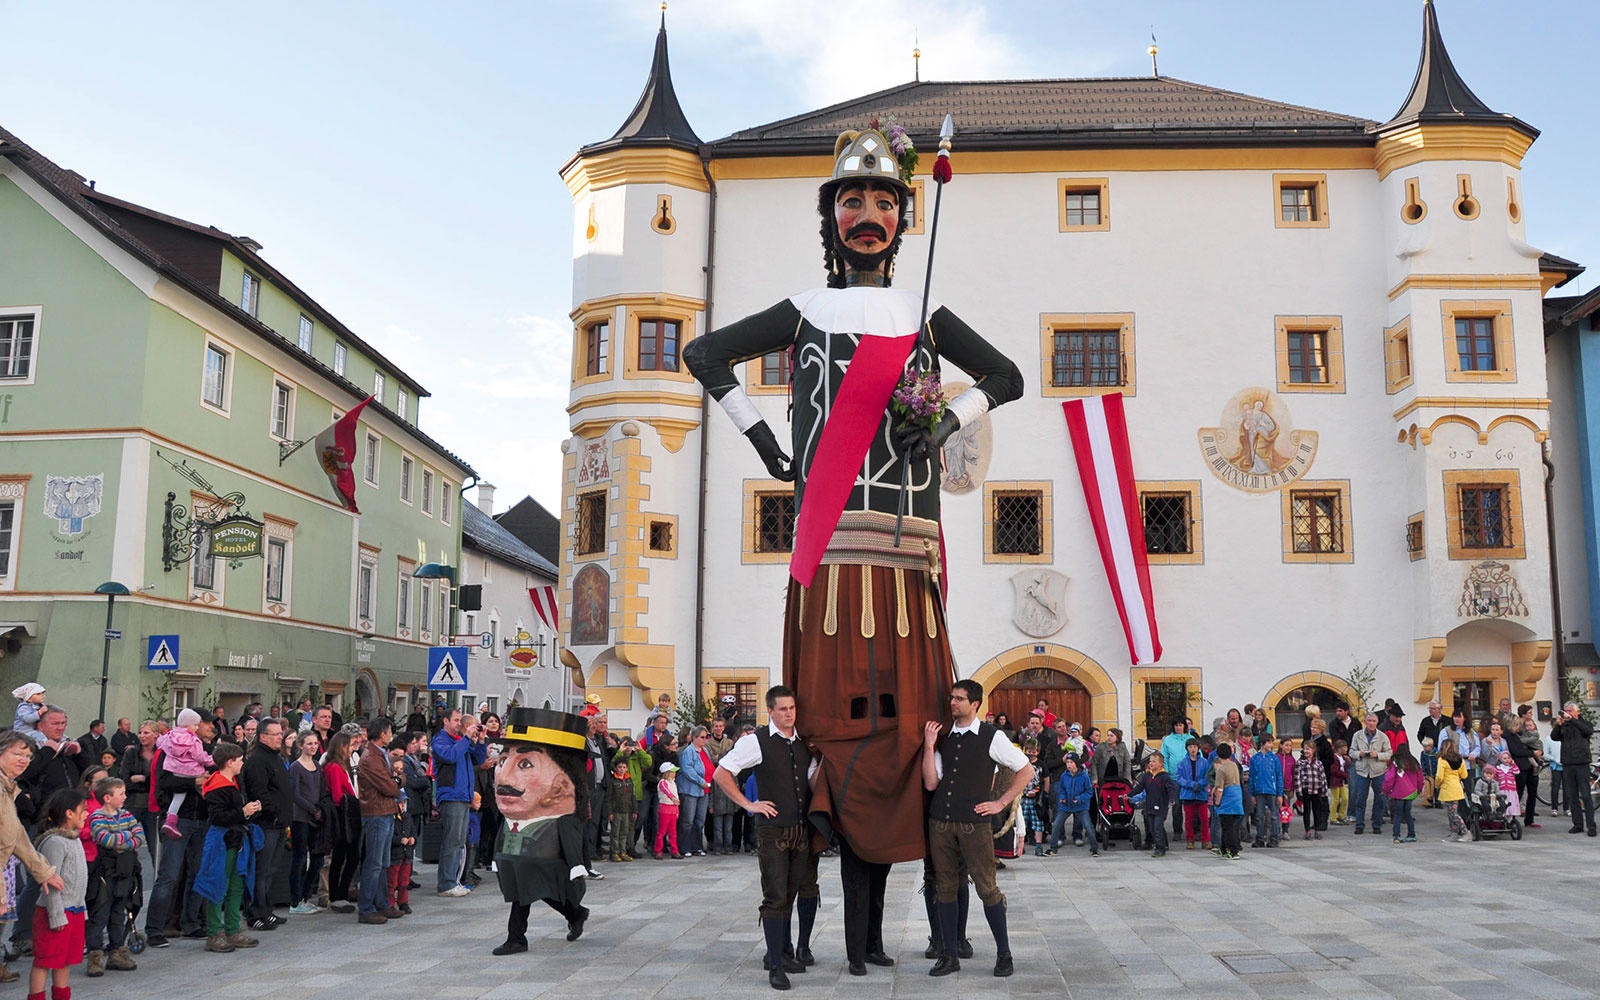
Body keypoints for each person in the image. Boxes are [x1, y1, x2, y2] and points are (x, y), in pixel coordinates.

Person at [685, 123, 1024, 967]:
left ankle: (932, 934)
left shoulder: (925, 315)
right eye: (851, 200)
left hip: (907, 550)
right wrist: (764, 444)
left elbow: (1008, 378)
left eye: (882, 201)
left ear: (905, 221)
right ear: (831, 217)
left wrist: (945, 418)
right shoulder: (805, 311)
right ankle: (851, 938)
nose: (866, 214)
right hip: (830, 548)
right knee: (834, 734)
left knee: (916, 738)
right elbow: (703, 354)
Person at [713, 685, 823, 990]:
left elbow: (812, 781)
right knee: (774, 896)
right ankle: (775, 964)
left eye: (792, 708)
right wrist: (749, 804)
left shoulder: (803, 742)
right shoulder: (756, 742)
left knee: (790, 893)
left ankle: (784, 953)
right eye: (783, 709)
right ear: (771, 711)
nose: (789, 714)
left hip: (800, 830)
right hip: (773, 831)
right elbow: (722, 773)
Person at [921, 680, 1031, 978]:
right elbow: (931, 782)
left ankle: (1004, 954)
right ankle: (949, 954)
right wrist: (929, 747)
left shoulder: (991, 736)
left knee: (986, 887)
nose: (953, 703)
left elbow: (1026, 769)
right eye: (952, 698)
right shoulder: (943, 737)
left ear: (975, 704)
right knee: (945, 887)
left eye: (959, 699)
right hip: (941, 821)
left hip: (974, 824)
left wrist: (1000, 803)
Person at [489, 708, 592, 957]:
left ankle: (574, 913)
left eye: (525, 764)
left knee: (542, 888)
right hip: (519, 856)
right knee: (525, 888)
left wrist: (577, 864)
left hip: (550, 853)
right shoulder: (514, 812)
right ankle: (517, 937)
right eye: (502, 761)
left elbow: (573, 838)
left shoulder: (564, 817)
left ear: (561, 783)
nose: (503, 776)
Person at [0, 733, 64, 983]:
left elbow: (15, 835)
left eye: (28, 756)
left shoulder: (8, 786)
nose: (24, 760)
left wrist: (44, 871)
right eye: (18, 754)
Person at [194, 742, 261, 953]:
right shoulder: (218, 786)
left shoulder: (231, 781)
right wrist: (244, 812)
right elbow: (218, 817)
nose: (243, 763)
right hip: (222, 841)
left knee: (236, 885)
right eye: (240, 760)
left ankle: (232, 929)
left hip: (235, 838)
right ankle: (215, 932)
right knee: (217, 885)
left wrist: (249, 811)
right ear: (230, 762)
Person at [30, 789, 88, 999]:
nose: (86, 814)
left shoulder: (75, 839)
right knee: (45, 961)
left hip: (74, 911)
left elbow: (79, 881)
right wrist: (56, 915)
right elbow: (50, 885)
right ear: (69, 813)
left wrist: (82, 909)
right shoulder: (54, 842)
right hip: (55, 913)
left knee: (65, 961)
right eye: (83, 809)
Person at [84, 776, 143, 975]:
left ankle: (117, 951)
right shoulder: (96, 816)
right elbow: (104, 839)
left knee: (120, 910)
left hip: (125, 869)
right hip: (105, 870)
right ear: (107, 798)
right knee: (100, 911)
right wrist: (127, 836)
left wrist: (121, 840)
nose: (125, 797)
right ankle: (95, 955)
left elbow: (140, 836)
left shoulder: (126, 814)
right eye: (121, 794)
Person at [241, 718, 291, 932]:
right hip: (266, 823)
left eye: (281, 733)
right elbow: (259, 791)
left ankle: (266, 909)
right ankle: (255, 913)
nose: (281, 737)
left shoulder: (275, 757)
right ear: (263, 736)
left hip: (279, 824)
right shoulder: (258, 760)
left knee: (270, 870)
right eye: (276, 734)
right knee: (260, 870)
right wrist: (274, 812)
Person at [432, 709, 488, 896]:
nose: (459, 723)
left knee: (459, 842)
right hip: (451, 796)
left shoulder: (459, 741)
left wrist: (480, 740)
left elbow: (478, 759)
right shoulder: (440, 741)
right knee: (452, 841)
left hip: (463, 797)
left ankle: (454, 880)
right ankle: (446, 883)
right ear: (445, 721)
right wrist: (465, 738)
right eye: (456, 720)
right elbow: (450, 756)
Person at [356, 718, 401, 925]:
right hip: (376, 812)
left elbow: (398, 778)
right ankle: (366, 907)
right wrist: (396, 782)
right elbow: (389, 786)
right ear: (382, 733)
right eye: (390, 731)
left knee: (383, 862)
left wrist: (397, 781)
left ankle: (382, 903)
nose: (391, 734)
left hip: (385, 810)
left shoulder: (380, 753)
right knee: (374, 863)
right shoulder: (371, 757)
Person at [154, 708, 213, 840]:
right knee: (174, 860)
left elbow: (159, 742)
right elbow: (163, 782)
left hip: (201, 816)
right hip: (184, 818)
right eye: (207, 722)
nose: (211, 726)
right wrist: (195, 781)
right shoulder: (195, 742)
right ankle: (171, 819)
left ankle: (171, 818)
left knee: (195, 860)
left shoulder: (170, 739)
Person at [287, 732, 326, 916]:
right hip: (301, 818)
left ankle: (304, 896)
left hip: (315, 818)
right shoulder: (296, 767)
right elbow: (294, 794)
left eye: (315, 743)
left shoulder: (317, 765)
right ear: (301, 745)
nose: (313, 746)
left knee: (317, 859)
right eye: (309, 743)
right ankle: (295, 900)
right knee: (299, 858)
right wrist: (312, 809)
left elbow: (320, 789)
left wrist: (321, 809)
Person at [321, 731, 360, 912]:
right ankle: (338, 894)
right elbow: (337, 795)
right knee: (344, 856)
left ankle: (340, 893)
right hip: (343, 814)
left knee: (347, 856)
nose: (352, 749)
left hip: (348, 811)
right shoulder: (334, 767)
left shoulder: (342, 765)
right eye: (350, 745)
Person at [1550, 702, 1595, 836]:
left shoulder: (1583, 723)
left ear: (1577, 712)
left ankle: (1591, 825)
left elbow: (1588, 731)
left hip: (1582, 763)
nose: (1567, 713)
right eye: (1565, 711)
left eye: (1570, 711)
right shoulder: (1564, 726)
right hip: (1568, 763)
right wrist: (1558, 725)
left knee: (1585, 795)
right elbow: (1554, 737)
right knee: (1572, 795)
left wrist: (1573, 721)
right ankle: (1578, 824)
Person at [1346, 713, 1391, 835]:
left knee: (1380, 799)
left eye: (1374, 721)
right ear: (1365, 721)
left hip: (1378, 771)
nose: (1371, 723)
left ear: (1377, 722)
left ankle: (1377, 824)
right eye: (1369, 720)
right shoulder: (1358, 735)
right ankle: (1359, 824)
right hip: (1362, 771)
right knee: (1360, 799)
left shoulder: (1382, 736)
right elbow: (1351, 751)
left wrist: (1377, 755)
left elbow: (1389, 753)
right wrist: (1359, 754)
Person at [676, 726, 713, 857]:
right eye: (702, 737)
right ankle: (685, 846)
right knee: (687, 820)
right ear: (694, 738)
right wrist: (700, 781)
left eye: (706, 737)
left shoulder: (705, 751)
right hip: (691, 790)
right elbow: (687, 769)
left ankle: (697, 846)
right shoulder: (689, 751)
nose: (705, 740)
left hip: (704, 791)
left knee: (699, 820)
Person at [1131, 754, 1178, 857]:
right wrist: (1129, 795)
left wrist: (1173, 799)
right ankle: (1162, 844)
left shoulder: (1165, 777)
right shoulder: (1147, 776)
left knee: (1157, 827)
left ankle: (1160, 848)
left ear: (1161, 764)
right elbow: (1139, 787)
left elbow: (1171, 789)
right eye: (1150, 761)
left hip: (1161, 807)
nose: (1151, 763)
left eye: (1154, 761)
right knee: (1152, 828)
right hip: (1149, 806)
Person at [1053, 756, 1097, 858]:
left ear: (1076, 763)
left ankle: (1094, 848)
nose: (1069, 765)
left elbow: (1089, 792)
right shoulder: (1064, 775)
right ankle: (1053, 847)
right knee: (1056, 824)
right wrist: (1063, 797)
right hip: (1066, 805)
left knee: (1088, 826)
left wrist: (1080, 798)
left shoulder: (1084, 776)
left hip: (1080, 806)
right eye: (1067, 762)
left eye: (1071, 762)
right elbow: (1062, 788)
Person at [1174, 739, 1211, 850]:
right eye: (1190, 747)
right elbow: (1179, 777)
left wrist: (1199, 784)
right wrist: (1190, 784)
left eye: (1194, 747)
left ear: (1198, 748)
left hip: (1201, 794)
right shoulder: (1182, 762)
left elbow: (1208, 776)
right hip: (1188, 794)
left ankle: (1206, 840)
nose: (1193, 749)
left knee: (1204, 819)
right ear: (1187, 749)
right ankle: (1190, 840)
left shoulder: (1204, 762)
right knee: (1189, 820)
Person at [1208, 743, 1244, 859]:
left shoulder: (1221, 769)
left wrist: (1217, 802)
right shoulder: (1234, 765)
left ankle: (1232, 850)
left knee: (1227, 827)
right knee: (1231, 825)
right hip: (1237, 796)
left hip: (1227, 799)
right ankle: (1223, 848)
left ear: (1218, 754)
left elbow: (1220, 788)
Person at [1382, 745, 1423, 843]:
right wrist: (1419, 790)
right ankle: (1412, 834)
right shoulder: (1414, 762)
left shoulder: (1395, 762)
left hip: (1399, 792)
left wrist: (1386, 790)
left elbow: (1389, 778)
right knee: (1408, 814)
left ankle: (1396, 835)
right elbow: (1420, 779)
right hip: (1411, 792)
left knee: (1398, 814)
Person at [1248, 734, 1283, 848]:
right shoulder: (1255, 758)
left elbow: (1279, 776)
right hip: (1259, 791)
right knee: (1259, 816)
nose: (1271, 745)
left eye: (1272, 743)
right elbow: (1252, 776)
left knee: (1274, 816)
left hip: (1271, 790)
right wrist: (1252, 793)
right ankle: (1260, 838)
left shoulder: (1274, 758)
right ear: (1263, 744)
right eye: (1269, 742)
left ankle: (1274, 837)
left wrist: (1280, 793)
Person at [1435, 739, 1470, 843]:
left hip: (1447, 788)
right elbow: (1464, 775)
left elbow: (1439, 776)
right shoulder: (1461, 759)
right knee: (1452, 812)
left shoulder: (1442, 760)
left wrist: (1437, 785)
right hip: (1457, 787)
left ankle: (1465, 832)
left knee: (1452, 813)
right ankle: (1454, 833)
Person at [1294, 740, 1329, 839]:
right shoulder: (1300, 763)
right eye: (1304, 749)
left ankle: (1317, 830)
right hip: (1306, 790)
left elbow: (1323, 777)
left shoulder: (1318, 763)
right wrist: (1299, 791)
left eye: (1308, 749)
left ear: (1313, 750)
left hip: (1316, 790)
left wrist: (1324, 790)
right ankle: (1307, 830)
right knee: (1307, 811)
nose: (1306, 751)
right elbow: (1297, 777)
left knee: (1317, 810)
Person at [606, 761, 636, 864]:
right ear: (616, 768)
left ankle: (623, 851)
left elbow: (633, 797)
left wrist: (634, 810)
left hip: (627, 811)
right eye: (619, 767)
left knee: (624, 832)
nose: (622, 769)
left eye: (624, 767)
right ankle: (614, 852)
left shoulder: (629, 780)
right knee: (615, 832)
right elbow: (609, 798)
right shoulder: (613, 781)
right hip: (616, 811)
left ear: (627, 768)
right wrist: (609, 812)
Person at [654, 763, 682, 859]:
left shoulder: (673, 783)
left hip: (673, 809)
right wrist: (673, 798)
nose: (674, 773)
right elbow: (666, 790)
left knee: (673, 832)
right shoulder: (663, 782)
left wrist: (677, 810)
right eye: (672, 771)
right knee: (662, 831)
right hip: (665, 808)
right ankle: (658, 850)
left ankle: (674, 850)